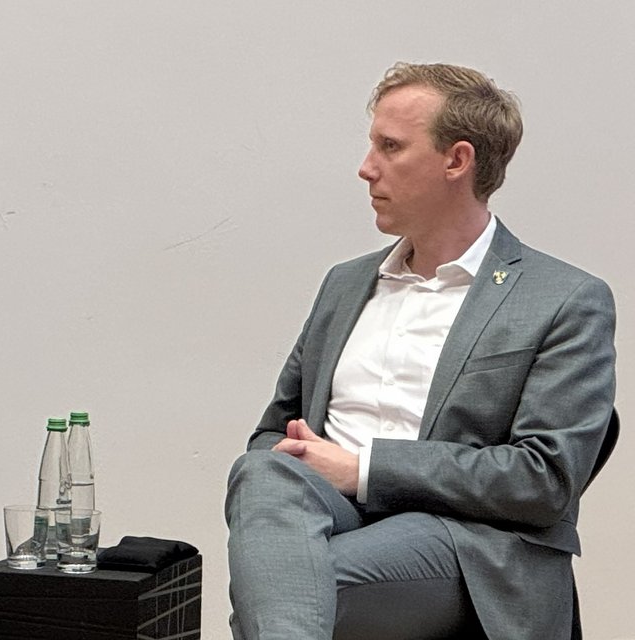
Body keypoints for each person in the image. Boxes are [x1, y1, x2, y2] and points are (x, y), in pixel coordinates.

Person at [225, 62, 616, 640]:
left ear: (456, 161)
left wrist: (364, 470)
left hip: (465, 541)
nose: (366, 168)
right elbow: (272, 431)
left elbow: (543, 479)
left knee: (287, 583)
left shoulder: (564, 298)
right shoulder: (344, 284)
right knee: (262, 473)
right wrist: (304, 463)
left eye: (390, 147)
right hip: (330, 515)